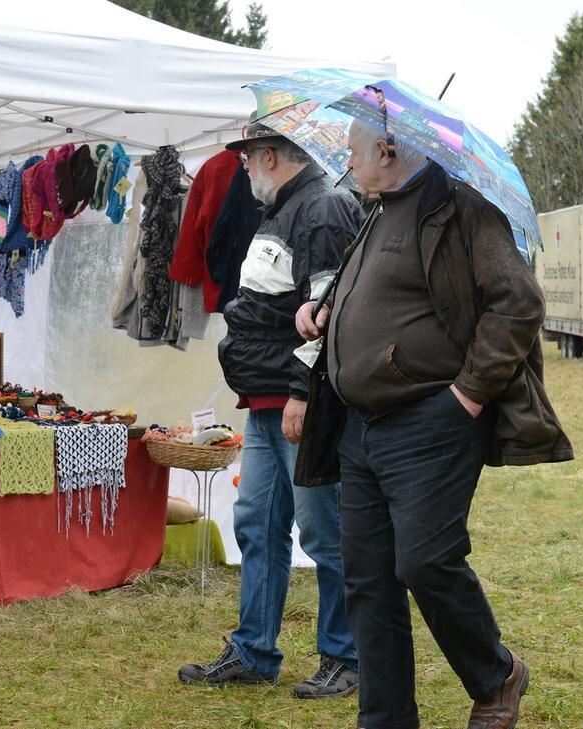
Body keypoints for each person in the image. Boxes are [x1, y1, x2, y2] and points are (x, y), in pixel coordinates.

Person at [296, 119, 573, 729]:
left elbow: (518, 304)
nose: (347, 165)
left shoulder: (462, 208)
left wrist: (467, 397)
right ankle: (386, 719)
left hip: (430, 422)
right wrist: (322, 309)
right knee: (368, 582)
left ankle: (495, 674)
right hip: (359, 428)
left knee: (424, 562)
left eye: (353, 153)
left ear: (388, 149)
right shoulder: (375, 211)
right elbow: (380, 295)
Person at [178, 114, 362, 699]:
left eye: (249, 156)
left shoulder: (322, 209)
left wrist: (302, 395)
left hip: (297, 402)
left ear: (273, 156)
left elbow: (329, 316)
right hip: (266, 404)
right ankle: (255, 652)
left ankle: (348, 656)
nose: (244, 167)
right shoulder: (281, 209)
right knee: (257, 524)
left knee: (323, 531)